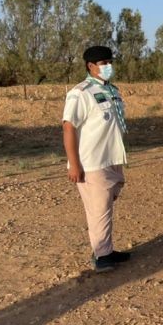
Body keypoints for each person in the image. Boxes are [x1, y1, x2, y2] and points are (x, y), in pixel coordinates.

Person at [62, 45, 130, 273]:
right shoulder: (80, 93)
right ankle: (102, 256)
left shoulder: (112, 90)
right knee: (99, 209)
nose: (108, 66)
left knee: (105, 206)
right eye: (103, 63)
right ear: (90, 66)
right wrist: (74, 164)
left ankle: (105, 248)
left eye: (109, 62)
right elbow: (69, 128)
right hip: (92, 162)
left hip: (112, 158)